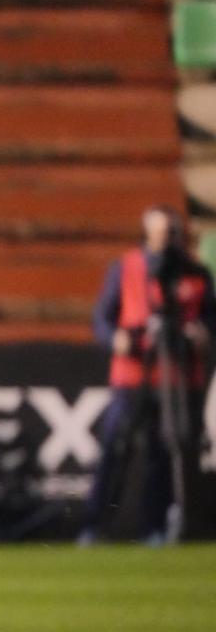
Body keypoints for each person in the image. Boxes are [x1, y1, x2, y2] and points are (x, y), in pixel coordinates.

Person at [81, 204, 216, 545]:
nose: (164, 240)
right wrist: (118, 339)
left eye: (169, 233)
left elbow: (212, 320)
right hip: (132, 375)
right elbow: (101, 319)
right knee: (116, 446)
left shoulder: (196, 274)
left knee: (163, 454)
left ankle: (153, 527)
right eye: (157, 233)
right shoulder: (126, 268)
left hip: (178, 377)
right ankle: (94, 526)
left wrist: (201, 333)